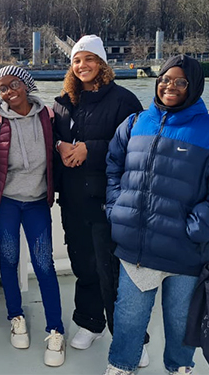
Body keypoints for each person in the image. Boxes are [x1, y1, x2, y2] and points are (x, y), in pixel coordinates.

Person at [103, 55, 209, 375]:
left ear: (193, 86)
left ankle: (179, 368)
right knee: (127, 318)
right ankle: (121, 366)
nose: (170, 86)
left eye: (180, 81)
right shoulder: (135, 123)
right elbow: (113, 165)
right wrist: (116, 208)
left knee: (182, 321)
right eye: (165, 79)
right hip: (136, 250)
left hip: (186, 253)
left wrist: (199, 226)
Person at [0, 65, 66, 367]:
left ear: (26, 85)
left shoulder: (48, 117)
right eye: (2, 88)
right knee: (8, 258)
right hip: (6, 202)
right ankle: (15, 316)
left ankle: (55, 329)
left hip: (36, 202)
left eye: (13, 85)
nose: (8, 92)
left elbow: (57, 150)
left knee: (44, 263)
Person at [52, 35, 145, 359]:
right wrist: (59, 147)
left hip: (109, 199)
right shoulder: (63, 102)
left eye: (90, 59)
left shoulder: (124, 101)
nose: (82, 66)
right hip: (74, 200)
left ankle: (130, 336)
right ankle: (90, 322)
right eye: (77, 60)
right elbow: (54, 141)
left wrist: (90, 150)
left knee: (112, 268)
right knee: (83, 263)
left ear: (102, 63)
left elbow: (136, 146)